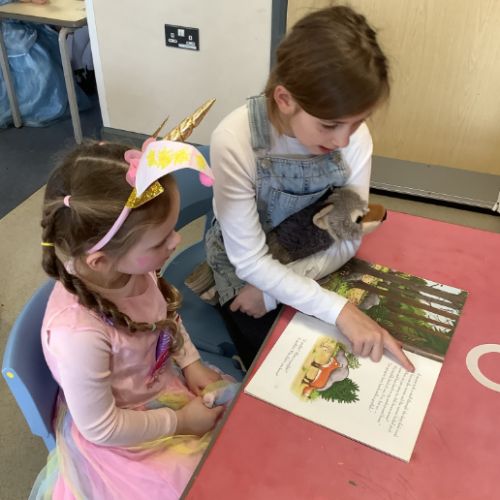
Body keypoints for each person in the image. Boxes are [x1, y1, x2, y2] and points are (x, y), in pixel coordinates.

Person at [205, 5, 414, 372]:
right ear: (285, 99)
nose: (344, 140)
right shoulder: (234, 141)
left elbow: (348, 235)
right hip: (245, 272)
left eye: (357, 122)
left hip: (313, 260)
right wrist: (339, 310)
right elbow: (250, 261)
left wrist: (276, 294)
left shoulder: (354, 138)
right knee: (281, 370)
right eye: (329, 125)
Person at [31, 140, 232, 499]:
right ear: (100, 261)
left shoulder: (132, 267)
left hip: (162, 388)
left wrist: (191, 362)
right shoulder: (77, 335)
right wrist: (181, 422)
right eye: (160, 241)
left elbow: (164, 318)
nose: (175, 241)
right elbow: (102, 427)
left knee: (240, 432)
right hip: (123, 437)